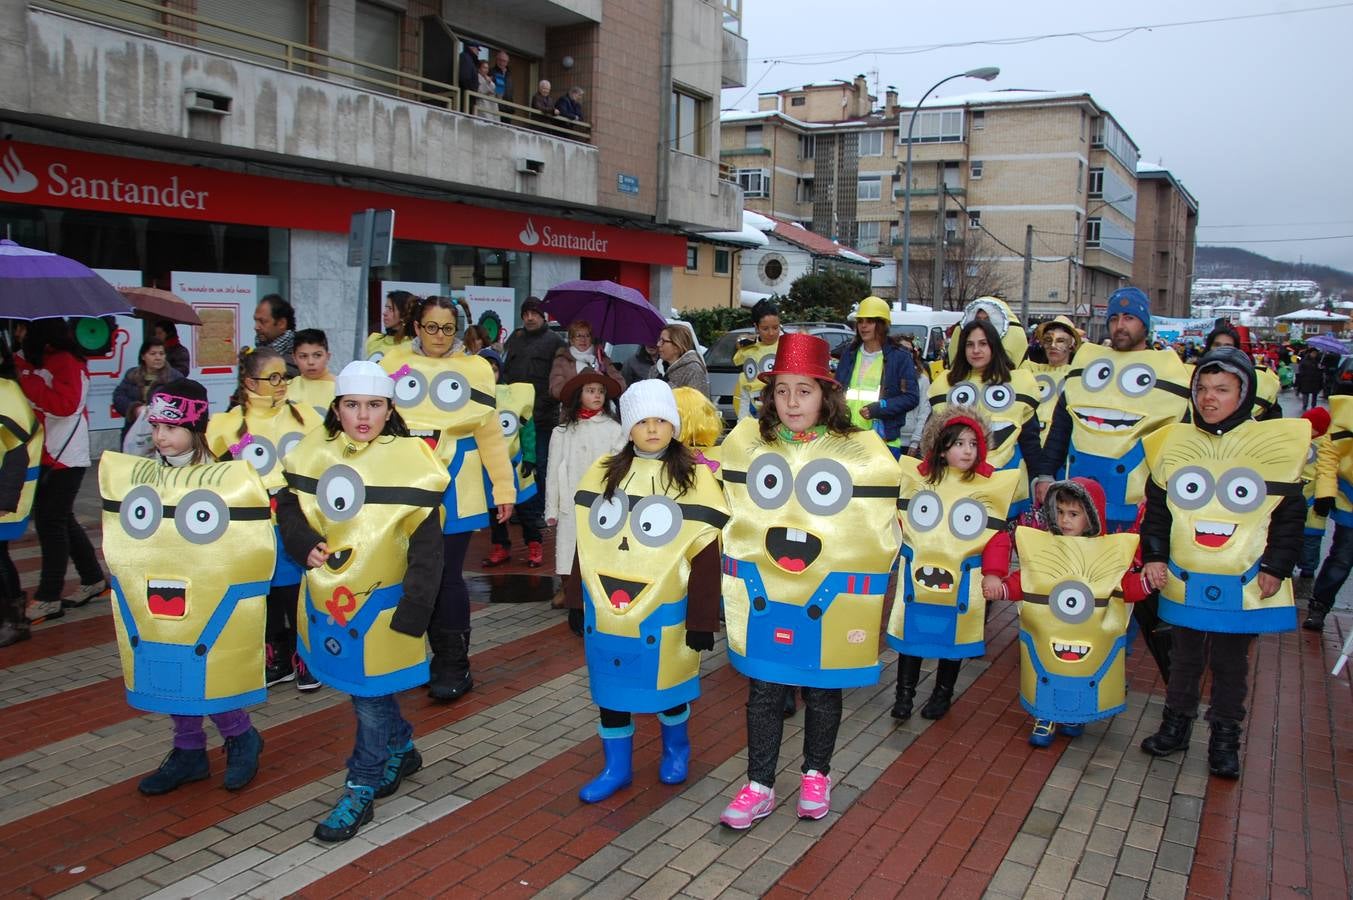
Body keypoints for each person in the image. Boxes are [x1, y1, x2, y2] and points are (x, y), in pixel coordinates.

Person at [716, 333, 901, 828]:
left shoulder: (857, 448)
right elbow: (720, 491)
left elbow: (885, 506)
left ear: (826, 394)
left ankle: (817, 773)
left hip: (830, 594)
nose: (792, 401)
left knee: (822, 687)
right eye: (781, 390)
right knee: (765, 688)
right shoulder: (751, 443)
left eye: (804, 390)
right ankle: (759, 784)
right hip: (766, 591)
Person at [275, 361, 447, 842]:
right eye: (352, 405)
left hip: (387, 603)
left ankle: (362, 782)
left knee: (369, 695)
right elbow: (288, 501)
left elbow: (428, 547)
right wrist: (299, 539)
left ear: (390, 408)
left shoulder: (414, 459)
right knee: (365, 688)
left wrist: (415, 612)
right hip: (331, 600)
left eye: (374, 405)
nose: (363, 416)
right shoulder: (315, 450)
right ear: (337, 408)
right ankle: (401, 748)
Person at [1138, 347, 1306, 778]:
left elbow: (1289, 515)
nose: (1208, 399)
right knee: (1185, 657)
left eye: (1222, 390)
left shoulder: (1267, 446)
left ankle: (1224, 738)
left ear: (1245, 393)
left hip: (1245, 580)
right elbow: (1157, 508)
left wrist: (1276, 567)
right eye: (1202, 389)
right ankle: (1176, 725)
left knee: (1231, 664)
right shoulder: (1174, 443)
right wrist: (1155, 555)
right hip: (1185, 576)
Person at [102, 380, 267, 797]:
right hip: (159, 595)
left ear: (196, 428)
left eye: (171, 428)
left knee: (211, 664)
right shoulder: (145, 476)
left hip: (211, 595)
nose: (160, 436)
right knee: (167, 662)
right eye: (156, 426)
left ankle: (240, 734)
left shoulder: (225, 479)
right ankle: (188, 748)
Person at [568, 380, 727, 802]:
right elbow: (587, 537)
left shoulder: (693, 476)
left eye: (661, 420)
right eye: (642, 422)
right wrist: (573, 597)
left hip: (667, 609)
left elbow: (706, 553)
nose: (652, 430)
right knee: (612, 692)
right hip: (608, 611)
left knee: (668, 691)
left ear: (673, 425)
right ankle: (615, 767)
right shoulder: (607, 471)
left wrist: (701, 620)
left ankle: (677, 751)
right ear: (629, 427)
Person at [1036, 287, 1192, 679]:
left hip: (1133, 509)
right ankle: (1082, 665)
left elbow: (1178, 444)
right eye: (1116, 319)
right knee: (1080, 588)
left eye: (1130, 318)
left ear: (1145, 323)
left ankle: (1132, 669)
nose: (1121, 326)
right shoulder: (1088, 366)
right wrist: (1045, 473)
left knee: (1130, 595)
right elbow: (1062, 427)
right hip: (1079, 504)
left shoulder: (1165, 372)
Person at [379, 296, 515, 702]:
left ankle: (453, 663)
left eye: (448, 328)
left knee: (448, 576)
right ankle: (415, 657)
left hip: (460, 485)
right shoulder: (394, 365)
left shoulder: (474, 369)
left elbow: (491, 436)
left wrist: (503, 490)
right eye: (431, 326)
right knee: (411, 574)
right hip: (402, 485)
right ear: (416, 326)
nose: (439, 336)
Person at [887, 407, 1019, 722]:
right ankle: (904, 695)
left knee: (955, 638)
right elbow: (895, 521)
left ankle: (941, 694)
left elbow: (997, 536)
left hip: (964, 581)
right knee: (912, 637)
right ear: (942, 447)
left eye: (973, 444)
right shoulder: (919, 481)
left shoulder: (987, 487)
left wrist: (994, 573)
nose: (967, 450)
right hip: (918, 578)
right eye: (959, 443)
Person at [997, 477, 1151, 747]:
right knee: (1045, 670)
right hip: (1048, 635)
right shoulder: (1045, 546)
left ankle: (1074, 715)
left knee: (1080, 674)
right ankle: (1045, 717)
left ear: (1091, 517)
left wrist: (1148, 584)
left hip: (1086, 637)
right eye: (1059, 512)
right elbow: (1027, 578)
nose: (1065, 520)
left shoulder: (1107, 553)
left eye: (1074, 514)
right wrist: (1003, 590)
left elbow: (1125, 586)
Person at [205, 347, 325, 691]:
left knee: (297, 592)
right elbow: (209, 470)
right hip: (252, 525)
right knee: (264, 592)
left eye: (284, 376)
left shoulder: (306, 416)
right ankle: (278, 654)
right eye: (272, 377)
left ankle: (307, 655)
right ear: (248, 382)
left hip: (297, 520)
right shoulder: (226, 424)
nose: (281, 383)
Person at [16, 319, 107, 623]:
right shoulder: (35, 359)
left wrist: (27, 377)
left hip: (65, 456)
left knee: (50, 522)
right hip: (47, 453)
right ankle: (92, 578)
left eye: (23, 328)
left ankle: (49, 596)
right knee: (61, 518)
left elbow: (65, 405)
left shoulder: (66, 361)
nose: (19, 333)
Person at [929, 317, 1042, 516]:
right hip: (957, 485)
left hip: (1007, 483)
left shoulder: (1018, 383)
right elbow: (935, 438)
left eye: (983, 344)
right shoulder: (946, 385)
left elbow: (1030, 439)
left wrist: (1041, 475)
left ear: (994, 346)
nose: (976, 350)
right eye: (970, 345)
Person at [544, 370, 624, 608]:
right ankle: (569, 589)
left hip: (602, 500)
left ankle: (596, 593)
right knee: (569, 546)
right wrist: (552, 508)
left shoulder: (614, 429)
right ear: (579, 395)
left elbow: (619, 462)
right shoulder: (563, 432)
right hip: (571, 498)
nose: (597, 395)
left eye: (601, 391)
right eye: (590, 391)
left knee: (600, 547)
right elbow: (552, 472)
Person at [503, 297, 565, 528]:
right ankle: (520, 508)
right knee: (518, 464)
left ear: (544, 316)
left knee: (540, 464)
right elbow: (506, 372)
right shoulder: (516, 339)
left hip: (542, 418)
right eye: (526, 314)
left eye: (534, 314)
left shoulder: (555, 342)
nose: (529, 318)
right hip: (515, 418)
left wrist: (542, 405)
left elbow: (558, 379)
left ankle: (538, 510)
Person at [479, 349, 543, 568]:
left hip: (516, 463)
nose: (490, 374)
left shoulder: (514, 398)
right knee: (494, 510)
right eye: (485, 369)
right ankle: (500, 545)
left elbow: (527, 429)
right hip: (487, 466)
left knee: (525, 510)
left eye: (494, 369)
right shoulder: (470, 399)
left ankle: (534, 543)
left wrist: (530, 458)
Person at [834, 296, 918, 458]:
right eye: (860, 321)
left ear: (882, 324)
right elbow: (837, 391)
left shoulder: (900, 356)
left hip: (884, 441)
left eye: (870, 321)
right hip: (848, 437)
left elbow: (911, 397)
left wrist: (880, 408)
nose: (863, 326)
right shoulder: (849, 354)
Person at [0, 341, 41, 648]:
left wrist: (4, 500)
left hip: (5, 490)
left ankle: (13, 620)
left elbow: (17, 452)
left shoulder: (7, 392)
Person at [1308, 396, 1353, 631]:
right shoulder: (1349, 413)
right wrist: (1325, 492)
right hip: (1351, 502)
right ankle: (1320, 605)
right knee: (1342, 558)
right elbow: (1329, 453)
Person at [1021, 316, 1081, 449]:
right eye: (1048, 340)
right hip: (1030, 442)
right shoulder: (1030, 370)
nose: (1053, 346)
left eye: (1060, 340)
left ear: (1071, 344)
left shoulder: (1077, 374)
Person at [112, 338, 184, 444]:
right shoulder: (132, 374)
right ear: (143, 356)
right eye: (153, 354)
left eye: (161, 353)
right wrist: (135, 409)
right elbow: (118, 397)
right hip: (134, 432)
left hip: (164, 434)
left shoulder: (175, 377)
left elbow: (183, 404)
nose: (158, 357)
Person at [1204, 325, 1280, 419]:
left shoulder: (1251, 378)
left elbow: (1272, 418)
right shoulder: (1192, 375)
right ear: (1209, 346)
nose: (1221, 350)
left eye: (1228, 346)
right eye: (1217, 345)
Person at [1295, 407, 1331, 599]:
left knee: (1310, 541)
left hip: (1313, 507)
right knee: (1298, 537)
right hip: (1302, 504)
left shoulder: (1325, 447)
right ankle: (1300, 565)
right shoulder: (1299, 442)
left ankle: (1308, 569)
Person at [549, 319, 625, 401]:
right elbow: (555, 391)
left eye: (587, 335)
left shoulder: (601, 358)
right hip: (574, 410)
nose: (583, 339)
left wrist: (604, 379)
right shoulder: (562, 361)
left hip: (601, 409)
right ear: (571, 340)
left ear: (591, 339)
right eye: (578, 336)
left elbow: (621, 386)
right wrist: (582, 378)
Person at [732, 300, 782, 420]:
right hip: (753, 405)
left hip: (781, 405)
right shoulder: (748, 347)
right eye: (765, 328)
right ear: (756, 327)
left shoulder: (787, 345)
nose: (771, 333)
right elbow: (744, 388)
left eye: (776, 327)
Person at [288, 329, 336, 417]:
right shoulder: (286, 388)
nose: (310, 362)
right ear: (294, 358)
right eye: (303, 356)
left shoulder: (340, 388)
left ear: (328, 356)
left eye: (317, 355)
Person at [652, 325, 709, 396]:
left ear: (677, 346)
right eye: (659, 340)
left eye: (663, 341)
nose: (658, 344)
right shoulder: (656, 369)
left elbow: (696, 404)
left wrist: (666, 385)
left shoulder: (693, 370)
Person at [254, 294, 299, 377]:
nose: (256, 327)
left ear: (281, 323)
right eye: (256, 321)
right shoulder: (257, 354)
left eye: (262, 321)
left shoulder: (299, 359)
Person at [366, 289, 417, 360]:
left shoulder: (415, 346)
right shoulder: (374, 340)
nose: (384, 313)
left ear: (404, 314)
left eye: (390, 309)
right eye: (386, 308)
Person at [1296, 347, 1324, 411]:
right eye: (1313, 353)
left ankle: (1313, 406)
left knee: (1315, 394)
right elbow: (1299, 362)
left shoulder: (1319, 360)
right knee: (1305, 393)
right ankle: (1304, 406)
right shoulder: (1303, 356)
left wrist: (1321, 368)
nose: (1314, 355)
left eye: (1315, 353)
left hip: (1315, 380)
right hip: (1306, 380)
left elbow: (1321, 370)